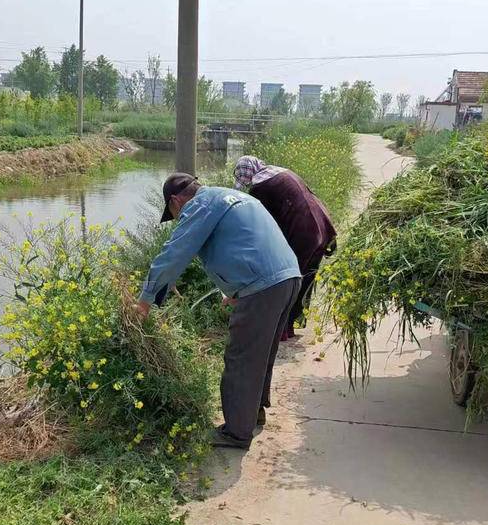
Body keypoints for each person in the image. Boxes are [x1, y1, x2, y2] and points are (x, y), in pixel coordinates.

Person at [135, 172, 302, 449]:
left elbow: (175, 251)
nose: (177, 219)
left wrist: (144, 301)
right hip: (287, 278)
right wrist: (236, 291)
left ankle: (236, 432)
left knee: (241, 359)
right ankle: (254, 413)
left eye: (174, 214)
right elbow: (247, 243)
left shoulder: (201, 205)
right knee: (261, 353)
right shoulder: (232, 197)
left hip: (263, 287)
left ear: (176, 201)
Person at [234, 155, 337, 340]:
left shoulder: (260, 187)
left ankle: (281, 331)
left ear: (248, 175)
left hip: (304, 234)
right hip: (321, 227)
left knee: (288, 281)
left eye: (245, 181)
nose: (248, 185)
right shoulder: (279, 172)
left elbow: (264, 224)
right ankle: (293, 324)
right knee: (306, 279)